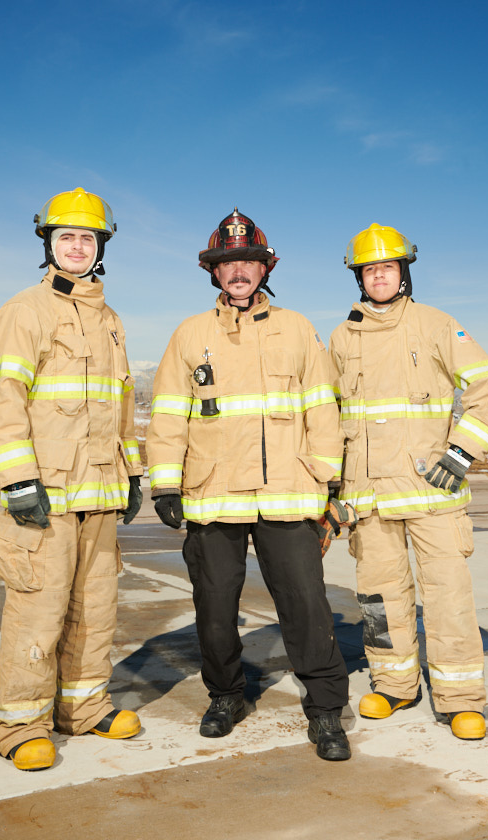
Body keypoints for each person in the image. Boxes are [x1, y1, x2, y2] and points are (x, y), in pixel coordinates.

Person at [145, 208, 351, 761]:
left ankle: (326, 711)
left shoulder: (298, 329)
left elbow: (322, 411)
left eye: (248, 262)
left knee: (307, 607)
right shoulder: (190, 334)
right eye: (227, 262)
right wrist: (166, 485)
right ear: (213, 272)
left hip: (289, 492)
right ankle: (226, 697)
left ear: (265, 268)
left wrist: (328, 482)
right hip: (213, 495)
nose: (238, 271)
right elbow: (168, 414)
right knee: (214, 609)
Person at [329, 223, 488, 740]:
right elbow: (330, 415)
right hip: (368, 500)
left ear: (404, 272)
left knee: (449, 597)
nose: (379, 276)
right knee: (379, 602)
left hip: (434, 496)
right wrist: (334, 489)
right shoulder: (343, 337)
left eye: (387, 267)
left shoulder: (436, 325)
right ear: (359, 278)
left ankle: (460, 700)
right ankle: (394, 686)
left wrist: (460, 453)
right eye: (370, 269)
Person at [0, 187, 144, 771]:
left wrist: (132, 472)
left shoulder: (111, 319)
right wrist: (17, 479)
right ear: (49, 244)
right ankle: (20, 724)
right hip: (45, 493)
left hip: (100, 490)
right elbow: (5, 398)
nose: (77, 246)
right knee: (38, 609)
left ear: (102, 246)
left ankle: (83, 706)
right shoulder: (26, 309)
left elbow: (121, 405)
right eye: (66, 237)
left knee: (94, 606)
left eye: (87, 238)